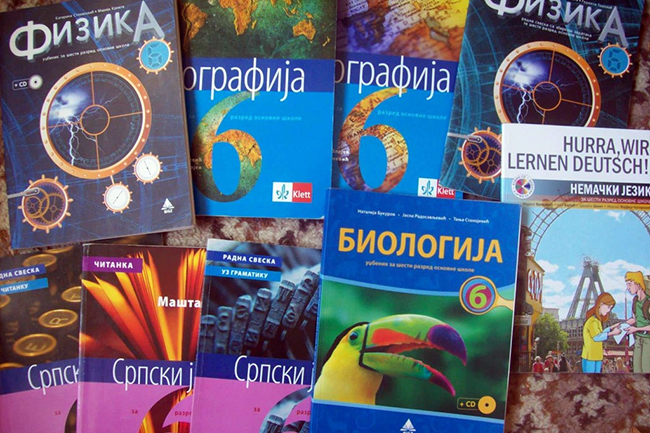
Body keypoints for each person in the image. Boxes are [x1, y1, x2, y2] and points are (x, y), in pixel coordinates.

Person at [581, 292, 621, 373]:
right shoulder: (592, 321)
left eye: (610, 308)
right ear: (601, 304)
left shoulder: (597, 320)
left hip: (596, 356)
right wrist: (612, 333)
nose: (608, 310)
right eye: (608, 307)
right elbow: (597, 337)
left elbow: (601, 333)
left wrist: (611, 327)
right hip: (590, 357)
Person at [624, 271, 650, 373]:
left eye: (630, 284)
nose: (628, 288)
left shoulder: (648, 302)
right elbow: (634, 319)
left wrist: (636, 329)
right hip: (638, 339)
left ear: (638, 284)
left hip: (648, 340)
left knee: (646, 369)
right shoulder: (635, 301)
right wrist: (622, 325)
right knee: (637, 370)